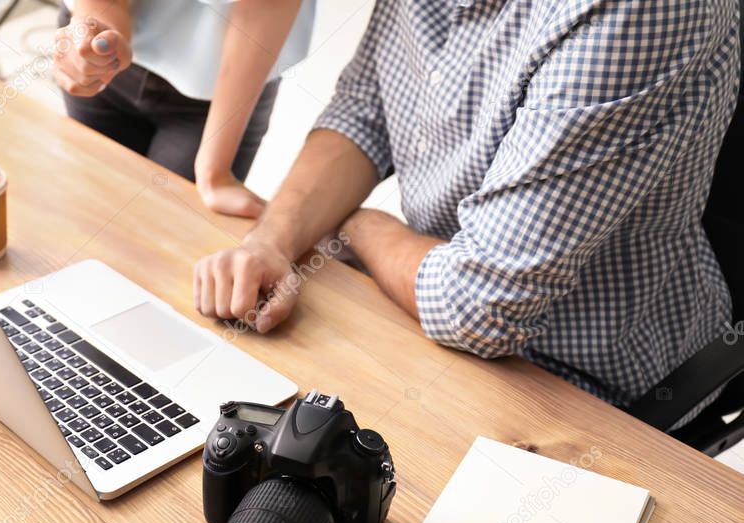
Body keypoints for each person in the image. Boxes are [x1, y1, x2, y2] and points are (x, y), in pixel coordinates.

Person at [193, 0, 741, 413]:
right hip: (422, 309)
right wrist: (272, 243)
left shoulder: (643, 9)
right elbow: (365, 111)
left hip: (580, 383)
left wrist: (360, 225)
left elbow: (481, 305)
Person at [53, 0, 314, 218]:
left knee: (165, 238)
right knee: (86, 214)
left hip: (219, 93)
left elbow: (268, 6)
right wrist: (96, 28)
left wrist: (215, 174)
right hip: (113, 67)